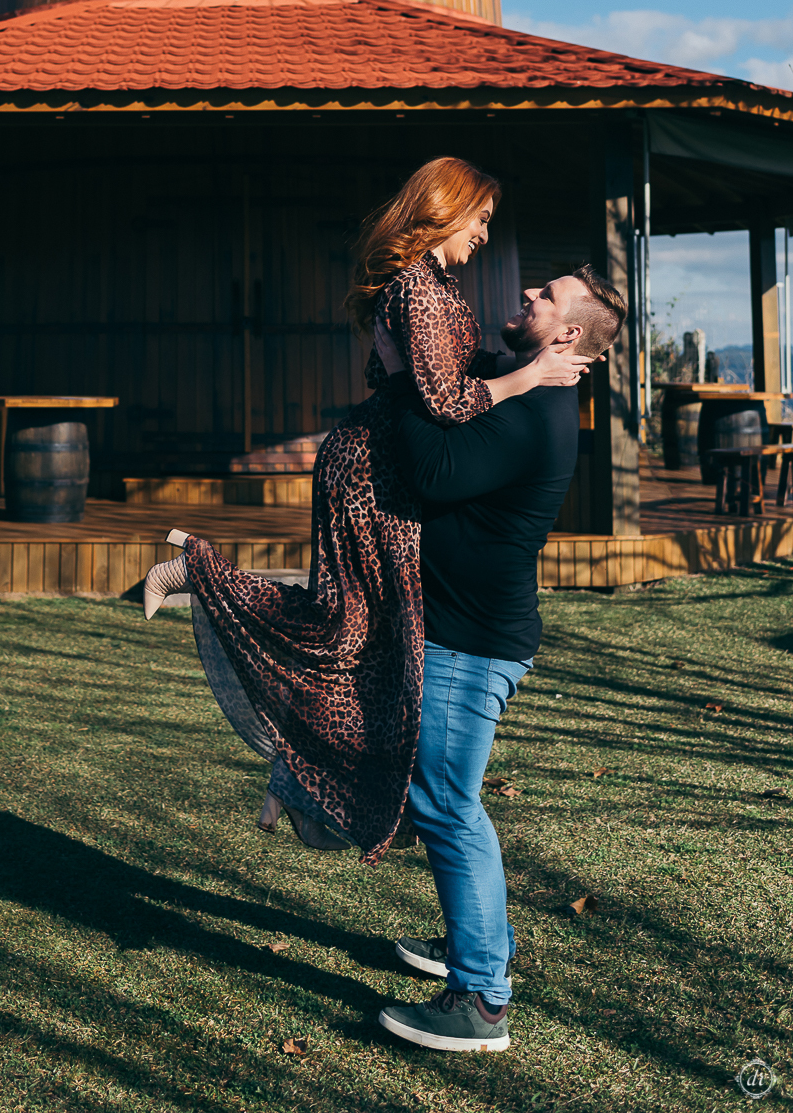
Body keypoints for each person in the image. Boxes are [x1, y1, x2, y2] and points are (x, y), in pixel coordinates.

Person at [142, 158, 588, 865]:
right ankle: (198, 572)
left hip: (379, 467)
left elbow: (447, 383)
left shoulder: (434, 286)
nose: (482, 233)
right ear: (444, 211)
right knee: (345, 629)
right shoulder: (416, 289)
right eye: (478, 218)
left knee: (358, 633)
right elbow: (441, 403)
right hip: (370, 475)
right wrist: (528, 376)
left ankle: (302, 782)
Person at [374, 265, 627, 1054]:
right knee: (443, 803)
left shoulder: (542, 408)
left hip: (470, 645)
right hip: (458, 632)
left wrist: (391, 378)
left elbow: (433, 470)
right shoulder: (519, 382)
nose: (526, 295)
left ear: (568, 335)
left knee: (448, 807)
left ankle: (481, 1000)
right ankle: (476, 943)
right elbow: (453, 384)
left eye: (544, 297)